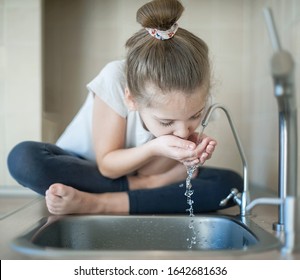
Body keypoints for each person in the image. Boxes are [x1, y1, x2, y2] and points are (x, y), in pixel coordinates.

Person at [7, 0, 242, 215]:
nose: (182, 131)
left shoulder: (194, 95)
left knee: (231, 185)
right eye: (166, 122)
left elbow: (150, 171)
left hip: (138, 174)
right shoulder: (115, 79)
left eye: (194, 116)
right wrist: (152, 160)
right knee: (24, 159)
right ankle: (136, 194)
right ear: (132, 99)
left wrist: (187, 155)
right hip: (88, 168)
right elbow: (109, 168)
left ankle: (93, 203)